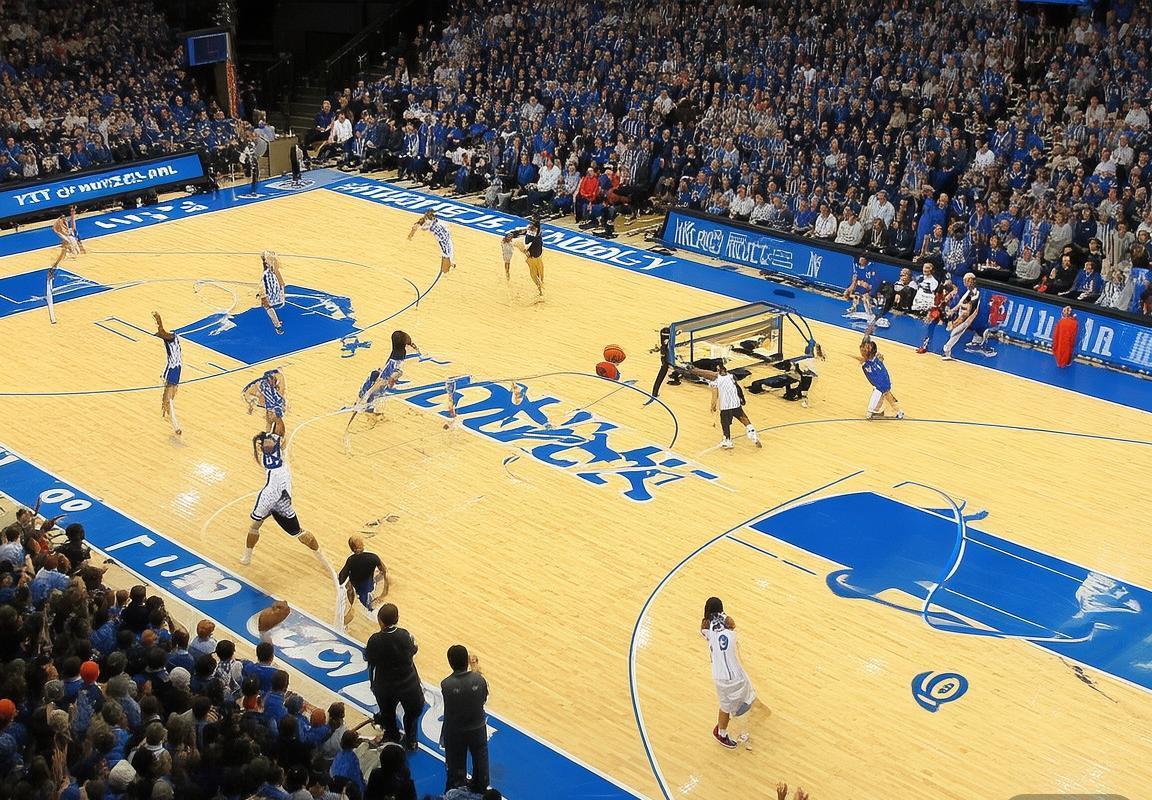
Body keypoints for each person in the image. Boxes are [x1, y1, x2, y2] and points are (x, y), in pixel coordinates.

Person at [241, 417, 334, 578]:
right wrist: (277, 416)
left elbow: (274, 432)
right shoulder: (276, 453)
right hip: (275, 499)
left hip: (275, 498)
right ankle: (247, 556)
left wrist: (272, 419)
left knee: (294, 532)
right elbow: (279, 431)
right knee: (257, 527)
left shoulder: (268, 453)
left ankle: (322, 558)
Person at [364, 604, 424, 751]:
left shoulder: (374, 640)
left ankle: (392, 736)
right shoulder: (406, 635)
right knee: (412, 713)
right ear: (397, 619)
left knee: (388, 714)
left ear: (379, 620)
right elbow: (414, 649)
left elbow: (368, 659)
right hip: (409, 684)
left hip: (386, 686)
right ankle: (411, 741)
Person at [701, 597, 759, 750]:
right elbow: (732, 624)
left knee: (727, 704)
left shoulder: (706, 628)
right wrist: (724, 616)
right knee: (729, 706)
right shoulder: (729, 626)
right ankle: (721, 733)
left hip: (719, 674)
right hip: (732, 674)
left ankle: (723, 723)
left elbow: (705, 627)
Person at [440, 644, 489, 794]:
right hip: (477, 727)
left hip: (456, 730)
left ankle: (455, 789)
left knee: (455, 764)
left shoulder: (446, 684)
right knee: (480, 760)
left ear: (450, 662)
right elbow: (483, 698)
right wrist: (475, 669)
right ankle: (481, 787)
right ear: (466, 661)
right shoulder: (480, 680)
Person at [685, 362, 761, 450]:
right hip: (736, 403)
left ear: (718, 371)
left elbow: (715, 394)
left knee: (725, 423)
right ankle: (753, 434)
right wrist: (742, 398)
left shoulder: (716, 380)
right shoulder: (732, 376)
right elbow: (738, 388)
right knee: (743, 418)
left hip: (726, 406)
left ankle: (727, 441)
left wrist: (713, 406)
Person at [356, 330, 419, 415]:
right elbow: (394, 372)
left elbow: (405, 338)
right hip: (389, 372)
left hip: (389, 366)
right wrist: (393, 379)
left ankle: (363, 397)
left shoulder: (397, 349)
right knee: (376, 391)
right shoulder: (400, 355)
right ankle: (368, 408)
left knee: (375, 377)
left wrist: (411, 344)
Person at [854, 330, 904, 419]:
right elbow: (864, 347)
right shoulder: (874, 357)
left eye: (865, 349)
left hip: (881, 384)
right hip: (884, 381)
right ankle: (898, 411)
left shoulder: (868, 361)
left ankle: (873, 411)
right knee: (887, 396)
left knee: (871, 410)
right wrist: (866, 335)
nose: (862, 350)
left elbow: (864, 351)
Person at [337, 535, 388, 625]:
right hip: (369, 588)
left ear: (352, 548)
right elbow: (384, 570)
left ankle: (344, 622)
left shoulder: (351, 560)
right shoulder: (373, 557)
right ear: (362, 545)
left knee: (350, 590)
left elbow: (341, 578)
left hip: (359, 591)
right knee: (371, 610)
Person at [47, 207, 85, 323]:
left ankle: (55, 265)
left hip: (70, 239)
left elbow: (73, 225)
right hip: (67, 239)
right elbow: (61, 228)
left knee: (66, 252)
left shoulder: (73, 231)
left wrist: (73, 214)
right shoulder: (66, 230)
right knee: (66, 251)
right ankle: (54, 266)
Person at [152, 312, 182, 436]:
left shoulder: (172, 338)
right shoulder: (173, 339)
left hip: (173, 369)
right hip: (175, 369)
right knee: (169, 398)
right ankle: (173, 423)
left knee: (168, 399)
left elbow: (163, 332)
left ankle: (173, 422)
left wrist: (158, 320)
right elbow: (163, 333)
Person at [503, 216, 545, 298]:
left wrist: (526, 250)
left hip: (533, 255)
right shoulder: (531, 229)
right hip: (532, 253)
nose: (530, 225)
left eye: (532, 222)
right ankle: (540, 289)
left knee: (535, 273)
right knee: (537, 272)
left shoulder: (536, 235)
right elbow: (524, 231)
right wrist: (514, 233)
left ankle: (541, 291)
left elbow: (530, 244)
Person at [941, 273, 981, 360]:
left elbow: (970, 307)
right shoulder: (967, 292)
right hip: (961, 315)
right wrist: (952, 311)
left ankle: (946, 350)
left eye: (967, 280)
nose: (965, 282)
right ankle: (946, 351)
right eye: (964, 280)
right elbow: (960, 304)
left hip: (968, 318)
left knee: (955, 333)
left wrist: (962, 319)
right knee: (955, 333)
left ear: (972, 280)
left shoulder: (976, 293)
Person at [408, 209, 456, 274]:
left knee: (450, 252)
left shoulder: (436, 220)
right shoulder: (424, 222)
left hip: (447, 236)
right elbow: (415, 226)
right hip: (442, 240)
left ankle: (450, 263)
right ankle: (447, 265)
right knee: (446, 255)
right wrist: (411, 235)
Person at [257, 251, 286, 334]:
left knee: (267, 306)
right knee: (269, 273)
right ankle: (277, 325)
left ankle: (277, 326)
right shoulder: (271, 270)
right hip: (273, 290)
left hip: (271, 290)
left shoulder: (268, 272)